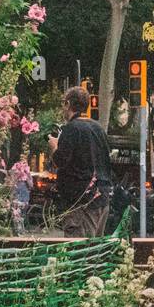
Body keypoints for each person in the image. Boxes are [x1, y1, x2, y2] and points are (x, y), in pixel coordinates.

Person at [48, 86, 113, 237]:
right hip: (102, 197)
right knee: (94, 250)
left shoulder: (71, 129)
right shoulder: (98, 128)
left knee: (79, 250)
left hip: (81, 201)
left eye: (64, 103)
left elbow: (60, 161)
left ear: (68, 104)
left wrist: (54, 146)